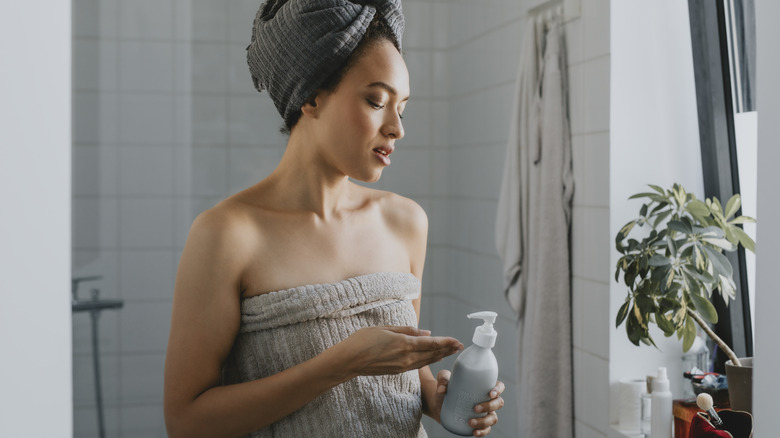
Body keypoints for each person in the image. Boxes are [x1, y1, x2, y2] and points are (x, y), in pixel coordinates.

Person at [163, 1, 505, 437]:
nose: (397, 128)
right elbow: (186, 422)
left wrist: (441, 401)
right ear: (311, 96)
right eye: (376, 100)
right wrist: (343, 364)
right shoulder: (227, 235)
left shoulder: (405, 222)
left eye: (402, 108)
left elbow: (402, 376)